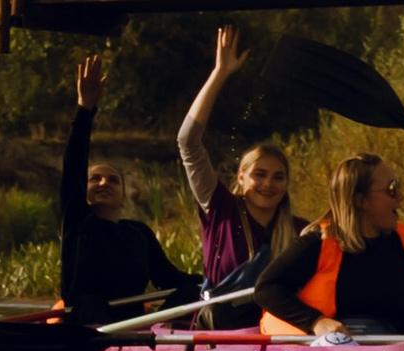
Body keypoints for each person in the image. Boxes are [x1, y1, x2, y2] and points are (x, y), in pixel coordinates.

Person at [59, 56, 203, 333]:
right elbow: (73, 166)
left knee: (192, 291)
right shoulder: (77, 223)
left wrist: (214, 283)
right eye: (95, 179)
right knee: (90, 302)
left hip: (137, 328)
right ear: (84, 190)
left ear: (123, 195)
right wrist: (85, 109)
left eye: (113, 180)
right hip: (89, 325)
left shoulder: (138, 234)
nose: (104, 183)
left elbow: (170, 278)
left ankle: (165, 339)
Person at [254, 151, 404, 341]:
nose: (400, 197)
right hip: (339, 348)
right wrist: (316, 322)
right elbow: (266, 288)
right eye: (391, 189)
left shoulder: (396, 242)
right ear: (360, 200)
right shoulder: (318, 243)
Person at [176, 26, 301, 291]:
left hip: (275, 327)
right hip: (222, 326)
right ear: (241, 177)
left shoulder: (300, 231)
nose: (269, 183)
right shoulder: (220, 208)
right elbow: (188, 141)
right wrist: (219, 74)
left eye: (278, 177)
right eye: (260, 174)